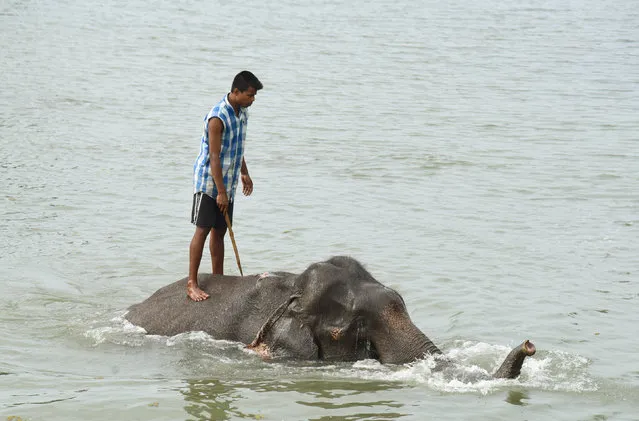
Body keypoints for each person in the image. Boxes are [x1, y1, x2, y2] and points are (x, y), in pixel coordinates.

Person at [188, 71, 263, 301]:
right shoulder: (217, 117)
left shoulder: (242, 114)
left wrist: (245, 174)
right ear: (236, 92)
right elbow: (214, 155)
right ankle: (192, 283)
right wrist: (219, 192)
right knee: (203, 229)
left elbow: (237, 147)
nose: (253, 99)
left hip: (228, 182)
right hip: (209, 182)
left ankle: (217, 277)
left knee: (220, 230)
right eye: (250, 95)